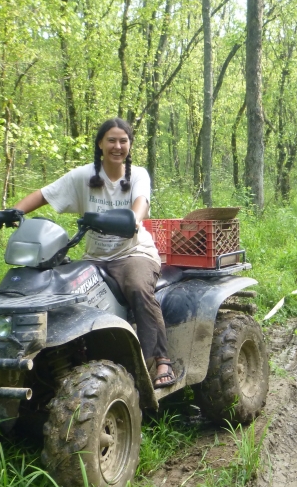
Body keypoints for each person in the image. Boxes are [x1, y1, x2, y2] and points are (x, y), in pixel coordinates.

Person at [12, 118, 177, 387]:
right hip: (95, 258)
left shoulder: (137, 175)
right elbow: (44, 194)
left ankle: (160, 360)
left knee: (137, 287)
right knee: (62, 292)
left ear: (130, 145)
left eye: (123, 141)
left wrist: (134, 218)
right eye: (111, 140)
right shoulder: (84, 176)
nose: (117, 146)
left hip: (133, 253)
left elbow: (141, 203)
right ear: (100, 143)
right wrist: (14, 212)